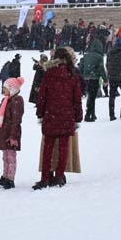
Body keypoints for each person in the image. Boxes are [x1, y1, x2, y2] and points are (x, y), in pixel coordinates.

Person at [33, 47, 83, 190]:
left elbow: (42, 96)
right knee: (63, 148)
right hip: (67, 116)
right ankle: (60, 176)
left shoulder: (48, 74)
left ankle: (44, 178)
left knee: (47, 149)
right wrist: (78, 118)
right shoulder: (72, 75)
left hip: (51, 114)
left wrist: (40, 114)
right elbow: (77, 99)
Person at [0, 78, 25, 190]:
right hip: (4, 133)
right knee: (5, 157)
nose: (3, 90)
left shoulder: (17, 101)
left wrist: (13, 136)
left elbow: (16, 120)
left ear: (12, 89)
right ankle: (5, 177)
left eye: (5, 88)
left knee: (11, 157)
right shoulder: (6, 100)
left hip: (11, 134)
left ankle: (10, 179)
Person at [81, 38, 107, 122]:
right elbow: (101, 69)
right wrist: (105, 79)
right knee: (92, 97)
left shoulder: (86, 55)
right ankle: (88, 114)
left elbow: (81, 66)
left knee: (90, 96)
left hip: (86, 78)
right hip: (94, 78)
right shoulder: (99, 57)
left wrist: (83, 75)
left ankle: (92, 113)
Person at [106, 37, 121, 120]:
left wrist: (109, 73)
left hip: (112, 77)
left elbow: (107, 64)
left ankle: (111, 114)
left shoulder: (110, 52)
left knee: (112, 96)